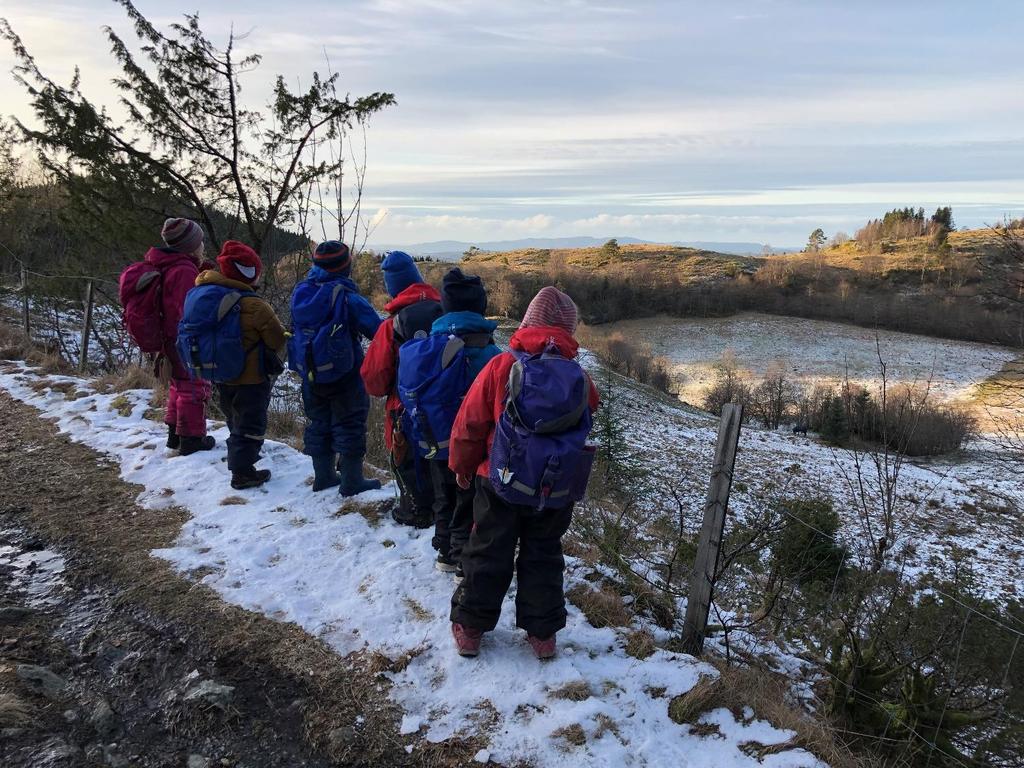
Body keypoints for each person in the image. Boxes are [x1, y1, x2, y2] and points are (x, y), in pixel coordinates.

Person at [448, 287, 599, 659]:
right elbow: (588, 414)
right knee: (544, 553)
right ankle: (543, 635)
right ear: (568, 330)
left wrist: (462, 467)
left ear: (529, 321)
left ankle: (470, 628)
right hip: (554, 486)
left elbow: (469, 423)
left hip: (498, 478)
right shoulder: (578, 377)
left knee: (487, 548)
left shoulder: (502, 366)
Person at [403, 268, 501, 574]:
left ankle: (444, 551)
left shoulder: (429, 347)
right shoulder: (489, 353)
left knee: (443, 497)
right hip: (471, 445)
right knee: (469, 501)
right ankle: (463, 558)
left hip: (434, 438)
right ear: (480, 307)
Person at [289, 241, 383, 495]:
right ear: (346, 267)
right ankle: (352, 482)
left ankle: (324, 476)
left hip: (310, 371)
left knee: (318, 421)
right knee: (350, 422)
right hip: (345, 372)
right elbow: (377, 330)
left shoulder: (301, 293)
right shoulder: (346, 297)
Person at [194, 241, 287, 489]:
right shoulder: (254, 304)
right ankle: (243, 472)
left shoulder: (204, 294)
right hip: (251, 377)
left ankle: (238, 457)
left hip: (219, 372)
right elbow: (276, 339)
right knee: (251, 422)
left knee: (233, 417)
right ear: (249, 272)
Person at [361, 251, 442, 527]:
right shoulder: (445, 316)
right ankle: (442, 514)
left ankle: (415, 511)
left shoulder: (390, 327)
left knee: (407, 462)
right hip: (447, 407)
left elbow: (374, 380)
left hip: (403, 410)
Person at [123, 218, 216, 455]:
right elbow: (184, 310)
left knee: (178, 385)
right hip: (183, 340)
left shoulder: (166, 264)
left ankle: (175, 436)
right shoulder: (183, 270)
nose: (203, 245)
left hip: (169, 339)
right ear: (190, 245)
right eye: (200, 241)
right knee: (194, 387)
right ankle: (192, 439)